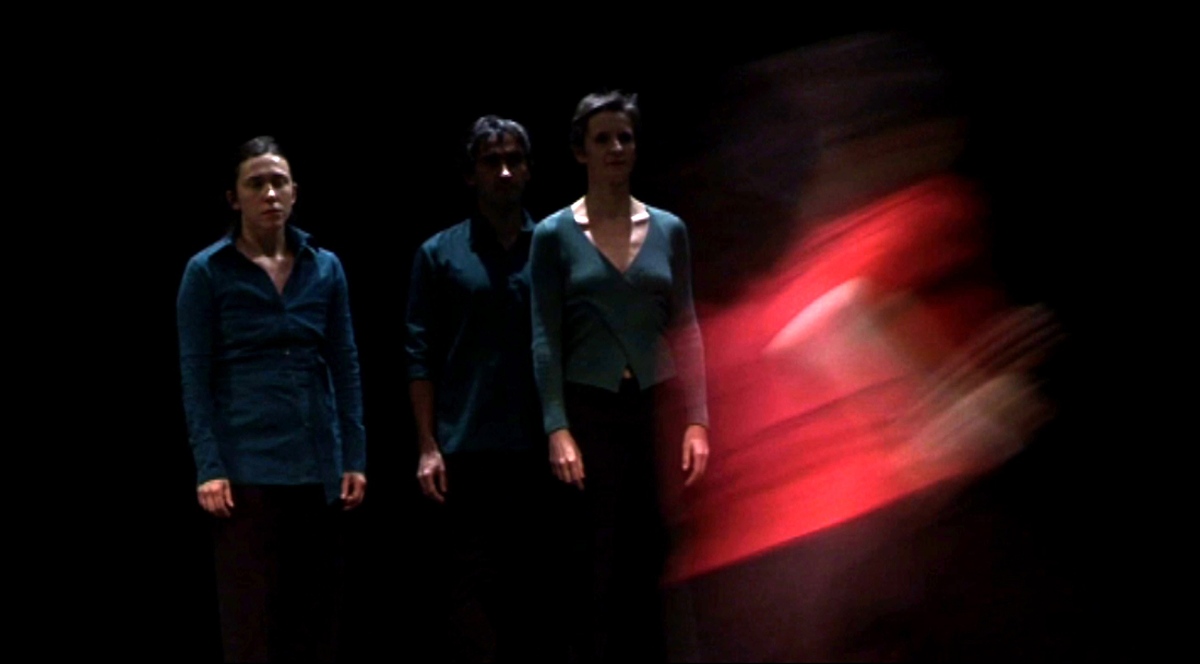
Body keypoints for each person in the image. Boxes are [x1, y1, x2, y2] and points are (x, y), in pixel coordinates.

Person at [529, 91, 710, 662]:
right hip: (590, 408)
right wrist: (557, 426)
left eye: (624, 137)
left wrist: (698, 419)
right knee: (593, 557)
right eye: (602, 138)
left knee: (654, 550)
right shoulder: (554, 234)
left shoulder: (668, 229)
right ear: (580, 151)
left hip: (654, 405)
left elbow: (686, 324)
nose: (615, 148)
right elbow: (544, 334)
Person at [177, 135, 367, 663]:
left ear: (295, 192)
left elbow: (346, 364)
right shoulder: (208, 271)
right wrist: (209, 467)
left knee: (315, 621)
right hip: (246, 468)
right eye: (256, 184)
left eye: (278, 182)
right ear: (233, 198)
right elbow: (195, 376)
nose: (269, 194)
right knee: (252, 626)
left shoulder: (324, 267)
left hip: (316, 464)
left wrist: (353, 455)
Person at [405, 115, 554, 662]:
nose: (505, 171)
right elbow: (419, 354)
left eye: (514, 160)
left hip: (540, 446)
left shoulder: (554, 247)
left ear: (530, 169)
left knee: (537, 588)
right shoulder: (439, 254)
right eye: (492, 162)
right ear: (471, 174)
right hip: (466, 449)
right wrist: (427, 446)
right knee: (468, 591)